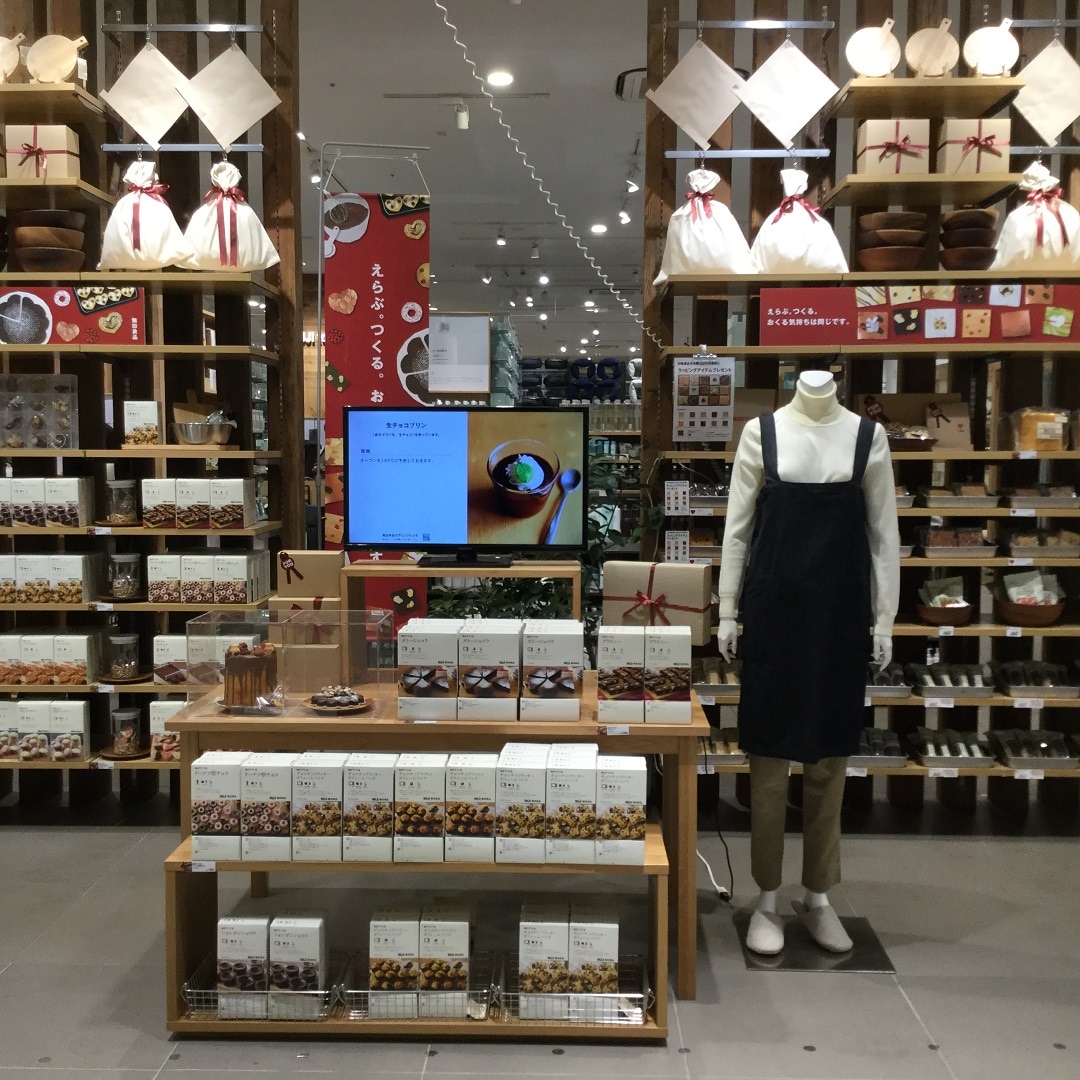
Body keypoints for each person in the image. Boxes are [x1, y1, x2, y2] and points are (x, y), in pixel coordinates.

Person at [717, 371, 899, 955]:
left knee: (829, 760)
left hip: (840, 617)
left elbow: (884, 536)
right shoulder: (761, 433)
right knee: (768, 761)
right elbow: (737, 531)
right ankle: (767, 897)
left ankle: (819, 895)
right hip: (773, 613)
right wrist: (726, 610)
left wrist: (885, 618)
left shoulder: (867, 437)